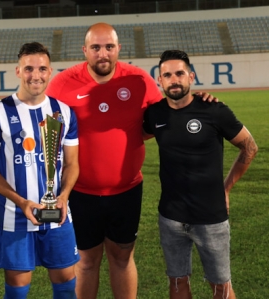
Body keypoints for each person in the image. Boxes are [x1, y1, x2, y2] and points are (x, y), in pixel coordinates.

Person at [46, 22, 217, 299]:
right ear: (84, 50)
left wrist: (199, 102)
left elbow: (164, 117)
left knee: (122, 258)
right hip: (80, 191)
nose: (103, 54)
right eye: (96, 48)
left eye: (109, 47)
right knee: (86, 262)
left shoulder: (138, 80)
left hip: (126, 190)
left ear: (118, 49)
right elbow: (45, 128)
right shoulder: (63, 84)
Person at [142, 50, 258, 299]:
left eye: (180, 73)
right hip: (171, 217)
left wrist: (226, 188)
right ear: (160, 81)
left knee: (221, 287)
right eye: (167, 75)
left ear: (191, 77)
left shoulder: (213, 110)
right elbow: (131, 137)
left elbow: (249, 146)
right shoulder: (155, 114)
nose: (174, 80)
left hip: (211, 217)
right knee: (176, 282)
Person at [0, 42, 80, 299]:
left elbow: (71, 163)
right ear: (18, 71)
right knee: (17, 290)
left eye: (42, 69)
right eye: (29, 68)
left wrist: (64, 195)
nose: (36, 75)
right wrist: (21, 201)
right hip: (16, 216)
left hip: (57, 213)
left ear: (50, 71)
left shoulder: (64, 112)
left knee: (66, 283)